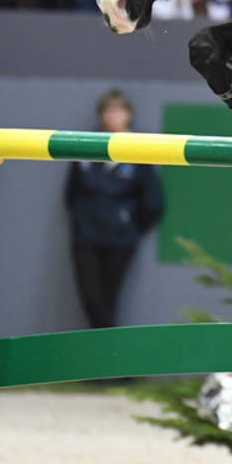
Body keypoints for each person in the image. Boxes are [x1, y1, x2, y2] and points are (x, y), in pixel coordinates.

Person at [64, 90, 164, 332]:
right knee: (91, 300)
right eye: (108, 110)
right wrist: (82, 220)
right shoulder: (86, 148)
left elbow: (153, 202)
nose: (113, 116)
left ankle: (109, 366)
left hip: (120, 240)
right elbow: (70, 194)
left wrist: (129, 227)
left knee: (109, 301)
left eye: (119, 110)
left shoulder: (139, 150)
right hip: (86, 237)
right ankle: (116, 367)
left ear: (129, 115)